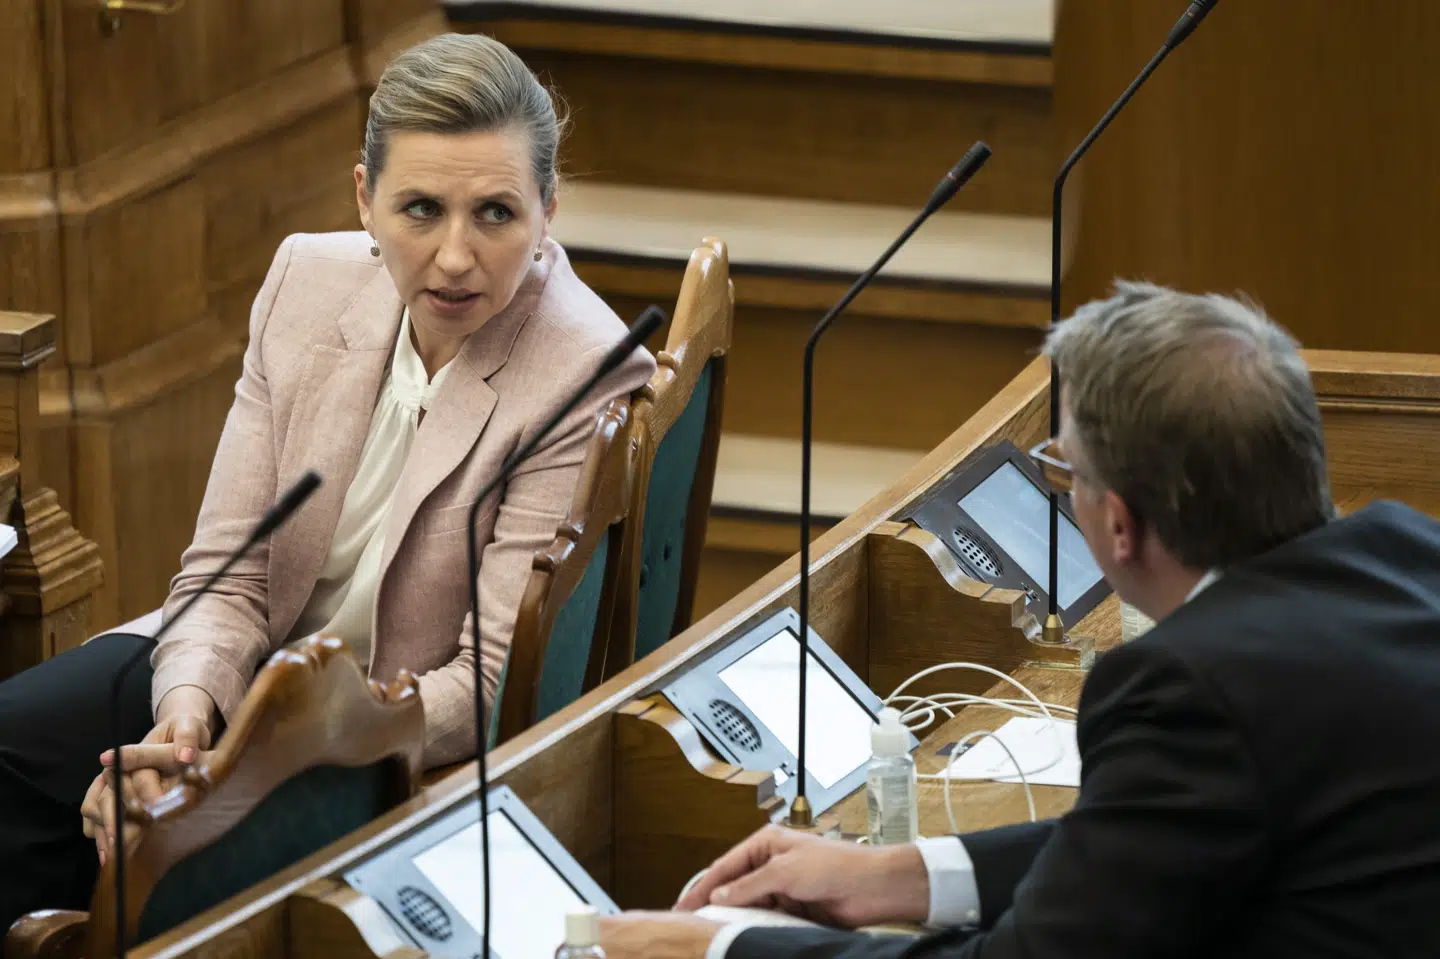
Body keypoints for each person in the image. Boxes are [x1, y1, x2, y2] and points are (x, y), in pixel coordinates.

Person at [0, 32, 654, 930]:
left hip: (387, 735)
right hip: (242, 670)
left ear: (548, 207)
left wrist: (253, 760)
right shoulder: (305, 281)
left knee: (169, 853)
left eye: (495, 214)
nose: (455, 257)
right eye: (420, 209)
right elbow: (225, 570)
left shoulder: (588, 369)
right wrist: (186, 727)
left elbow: (489, 680)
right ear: (365, 198)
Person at [599, 282, 1440, 958]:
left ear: (1116, 523)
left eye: (1063, 470)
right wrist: (902, 873)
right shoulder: (1409, 552)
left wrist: (730, 945)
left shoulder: (1190, 688)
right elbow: (1148, 849)